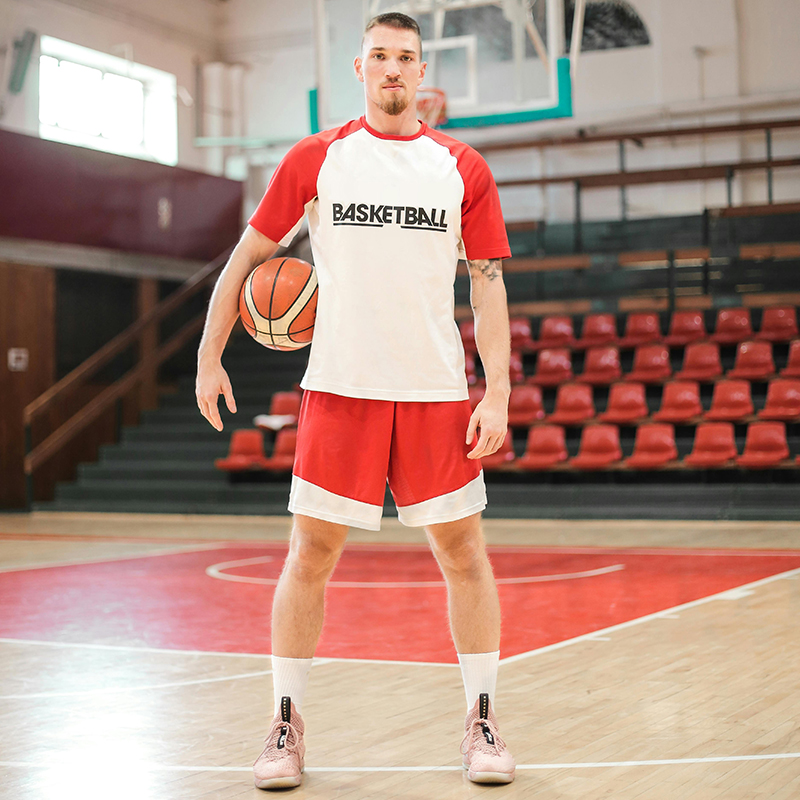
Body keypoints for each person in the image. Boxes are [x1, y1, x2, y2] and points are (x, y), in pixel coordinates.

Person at [195, 11, 515, 789]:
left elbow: (490, 286)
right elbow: (245, 258)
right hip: (338, 389)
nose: (394, 69)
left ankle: (481, 718)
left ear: (422, 71)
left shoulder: (462, 167)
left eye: (406, 57)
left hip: (435, 391)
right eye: (381, 56)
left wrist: (498, 390)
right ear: (360, 68)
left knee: (464, 556)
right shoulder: (316, 159)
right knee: (309, 557)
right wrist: (210, 355)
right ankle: (283, 722)